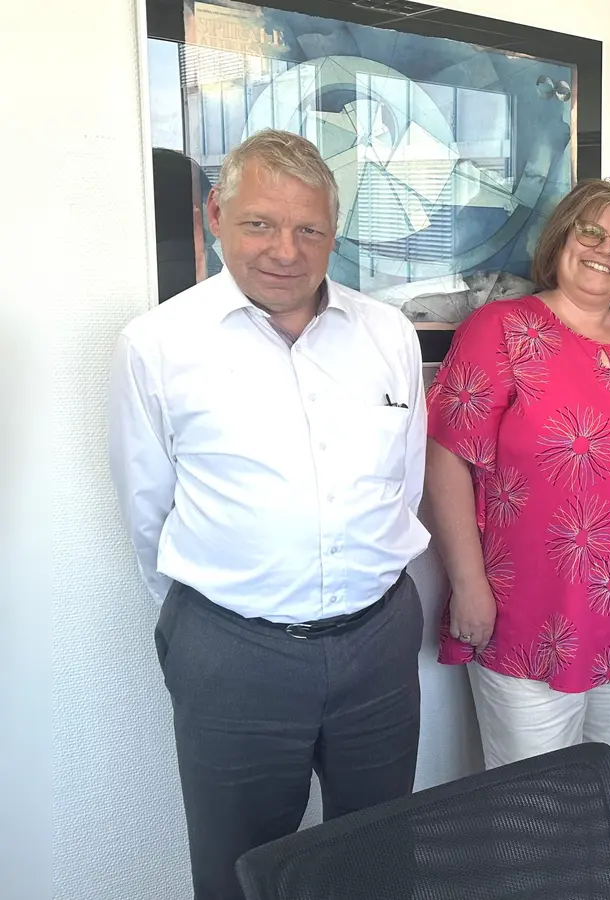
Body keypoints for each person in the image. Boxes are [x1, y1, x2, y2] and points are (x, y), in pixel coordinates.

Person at [108, 129, 429, 900]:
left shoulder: (387, 334)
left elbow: (404, 479)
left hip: (378, 641)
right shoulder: (157, 345)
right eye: (260, 223)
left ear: (333, 232)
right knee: (239, 870)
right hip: (234, 651)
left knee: (379, 859)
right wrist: (219, 619)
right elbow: (146, 506)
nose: (285, 249)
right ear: (216, 214)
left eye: (308, 229)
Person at [424, 178, 610, 813]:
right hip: (527, 610)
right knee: (534, 808)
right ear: (561, 237)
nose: (605, 249)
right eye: (590, 231)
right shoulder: (500, 330)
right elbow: (445, 458)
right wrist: (469, 583)